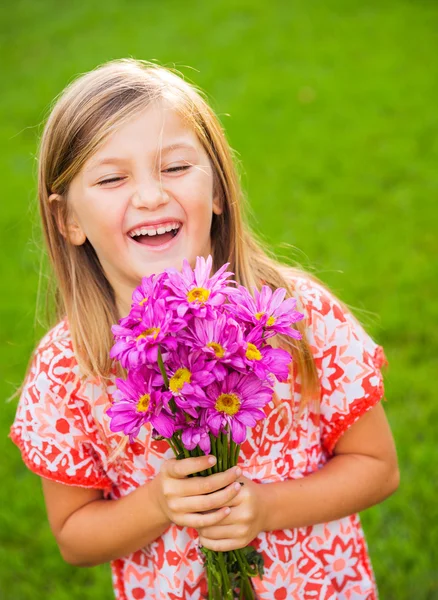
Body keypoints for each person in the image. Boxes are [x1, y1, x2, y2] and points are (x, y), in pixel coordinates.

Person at [9, 58, 399, 600]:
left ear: (217, 190)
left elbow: (378, 467)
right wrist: (158, 504)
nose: (149, 196)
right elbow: (75, 537)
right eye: (112, 178)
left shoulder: (294, 314)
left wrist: (265, 509)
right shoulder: (67, 366)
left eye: (174, 167)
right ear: (68, 220)